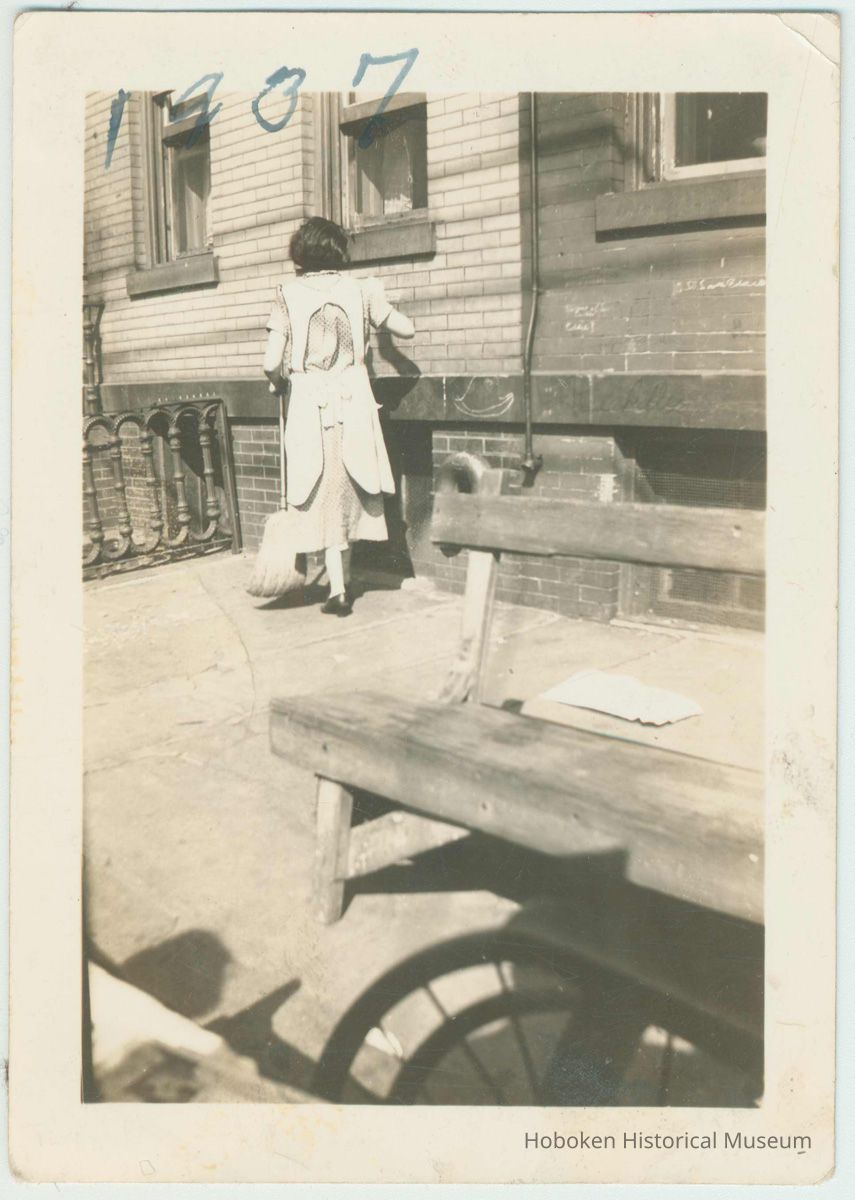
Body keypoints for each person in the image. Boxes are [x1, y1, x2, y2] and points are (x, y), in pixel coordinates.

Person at [263, 217, 415, 616]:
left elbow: (269, 362)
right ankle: (342, 584)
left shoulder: (287, 295)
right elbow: (406, 329)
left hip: (310, 407)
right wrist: (383, 321)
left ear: (302, 252)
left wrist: (277, 381)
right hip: (354, 404)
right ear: (338, 249)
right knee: (348, 490)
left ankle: (338, 589)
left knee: (322, 490)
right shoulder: (362, 290)